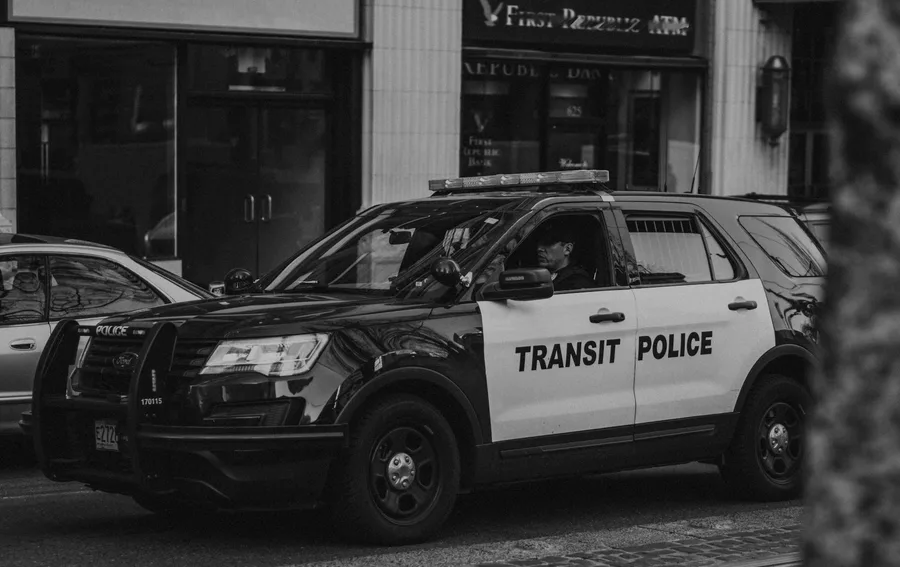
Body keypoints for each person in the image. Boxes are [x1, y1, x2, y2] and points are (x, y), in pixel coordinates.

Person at [534, 223, 595, 291]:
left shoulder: (578, 283)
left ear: (567, 249)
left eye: (548, 243)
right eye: (539, 243)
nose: (539, 248)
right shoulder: (537, 276)